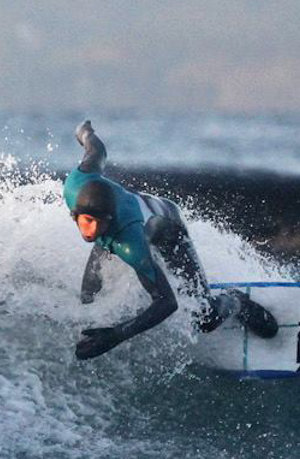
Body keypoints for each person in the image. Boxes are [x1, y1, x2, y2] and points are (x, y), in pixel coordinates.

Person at [64, 119, 277, 361]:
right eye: (85, 221)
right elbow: (97, 151)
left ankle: (237, 301)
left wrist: (117, 335)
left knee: (205, 318)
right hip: (128, 210)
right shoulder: (76, 184)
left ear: (109, 220)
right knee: (88, 297)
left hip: (167, 225)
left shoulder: (131, 243)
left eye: (96, 223)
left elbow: (166, 303)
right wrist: (85, 132)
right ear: (75, 213)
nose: (89, 230)